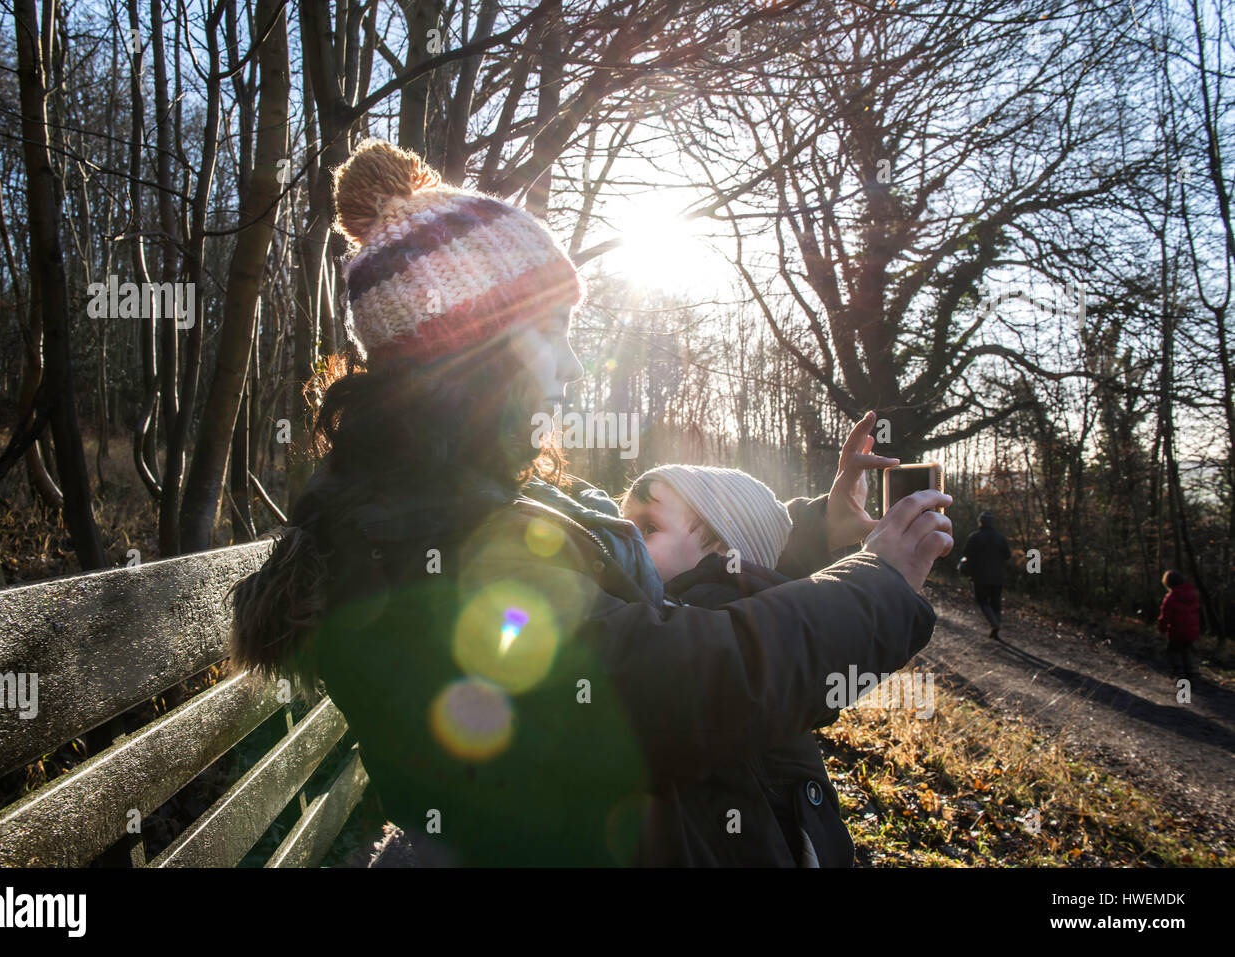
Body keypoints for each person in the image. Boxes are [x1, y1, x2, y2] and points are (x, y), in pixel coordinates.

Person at [228, 139, 953, 866]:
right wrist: (878, 584)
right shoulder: (420, 543)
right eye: (548, 332)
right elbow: (671, 685)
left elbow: (653, 570)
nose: (573, 366)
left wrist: (819, 531)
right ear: (468, 355)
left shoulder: (470, 493)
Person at [619, 457, 909, 867]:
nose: (625, 538)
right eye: (624, 524)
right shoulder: (702, 615)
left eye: (647, 528)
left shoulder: (702, 629)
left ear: (723, 552)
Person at [959, 511, 1011, 638]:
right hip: (997, 577)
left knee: (982, 601)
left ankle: (994, 624)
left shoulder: (975, 537)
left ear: (980, 522)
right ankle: (996, 626)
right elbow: (1007, 555)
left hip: (980, 576)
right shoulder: (1000, 537)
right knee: (996, 602)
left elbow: (966, 554)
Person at [1158, 570, 1201, 681]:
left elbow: (1165, 615)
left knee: (1172, 651)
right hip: (1192, 630)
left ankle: (1179, 671)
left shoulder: (1171, 597)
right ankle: (1190, 671)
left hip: (1177, 630)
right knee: (1186, 650)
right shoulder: (1193, 593)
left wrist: (1161, 628)